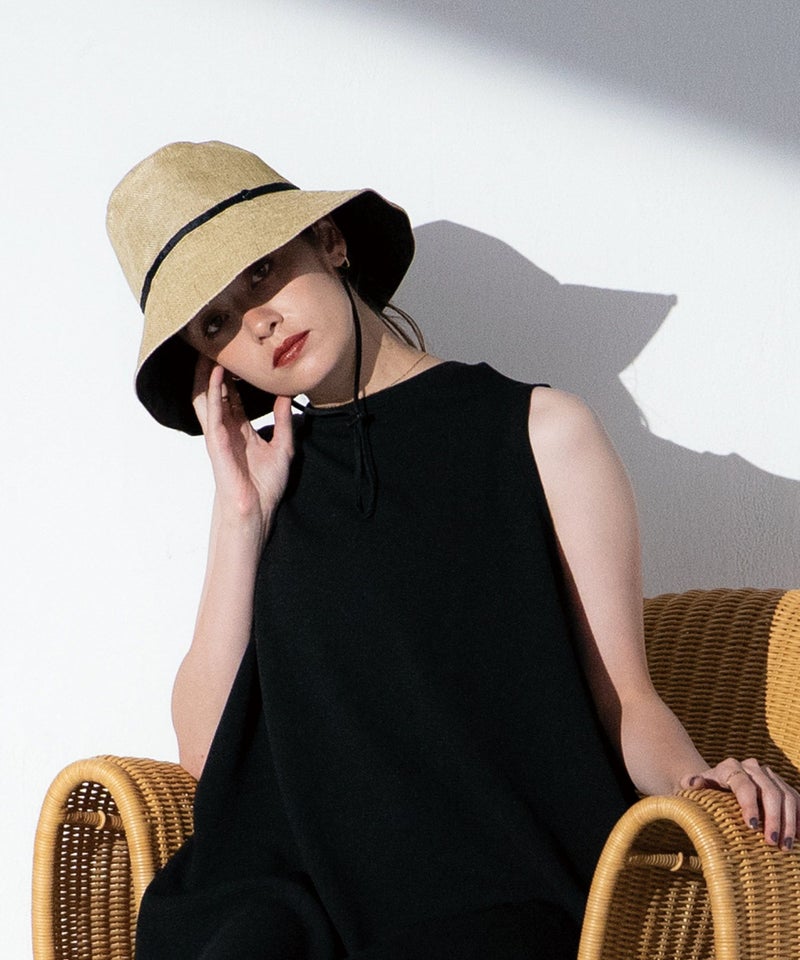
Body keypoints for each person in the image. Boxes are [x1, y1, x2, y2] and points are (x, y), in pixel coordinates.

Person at [107, 140, 799, 960]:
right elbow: (204, 755)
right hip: (292, 898)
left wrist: (699, 782)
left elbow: (624, 698)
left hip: (494, 891)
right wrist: (240, 516)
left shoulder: (542, 433)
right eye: (216, 323)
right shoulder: (262, 485)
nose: (257, 322)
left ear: (331, 241)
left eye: (260, 272)